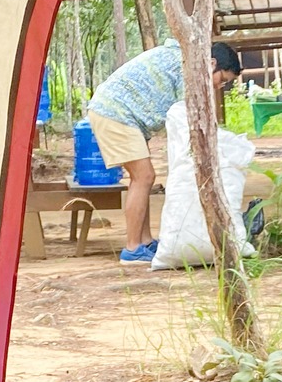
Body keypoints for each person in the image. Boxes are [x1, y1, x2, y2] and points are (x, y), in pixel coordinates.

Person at [87, 38, 242, 264]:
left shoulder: (184, 59)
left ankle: (145, 241)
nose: (220, 86)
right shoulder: (189, 68)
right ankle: (132, 248)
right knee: (144, 176)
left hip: (124, 116)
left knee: (142, 178)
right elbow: (188, 116)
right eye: (222, 79)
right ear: (211, 63)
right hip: (115, 112)